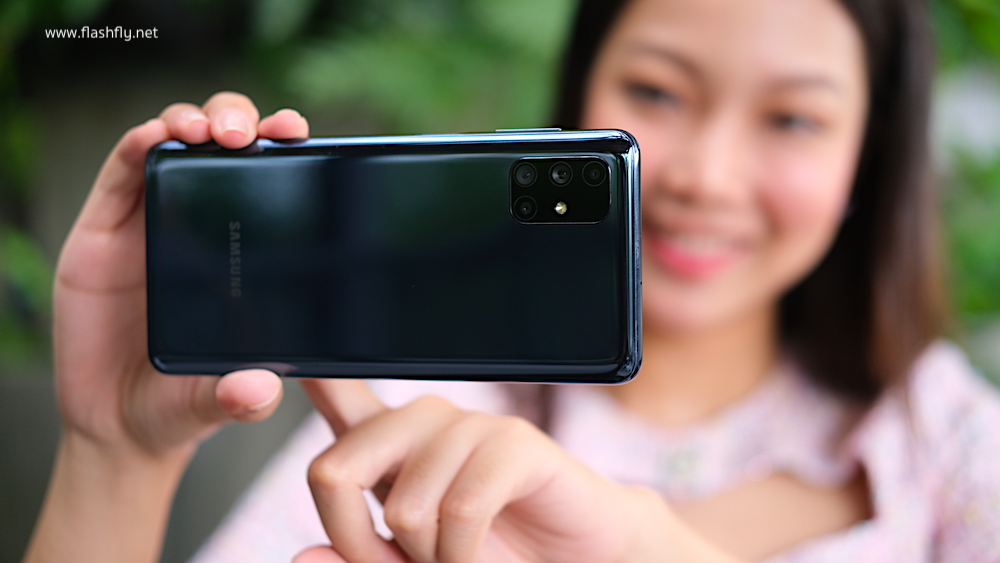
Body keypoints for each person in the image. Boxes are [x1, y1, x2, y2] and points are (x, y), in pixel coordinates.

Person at [23, 0, 1000, 561]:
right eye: (656, 90)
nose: (705, 174)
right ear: (580, 99)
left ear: (868, 158)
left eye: (792, 118)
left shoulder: (946, 442)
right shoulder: (414, 421)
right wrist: (113, 458)